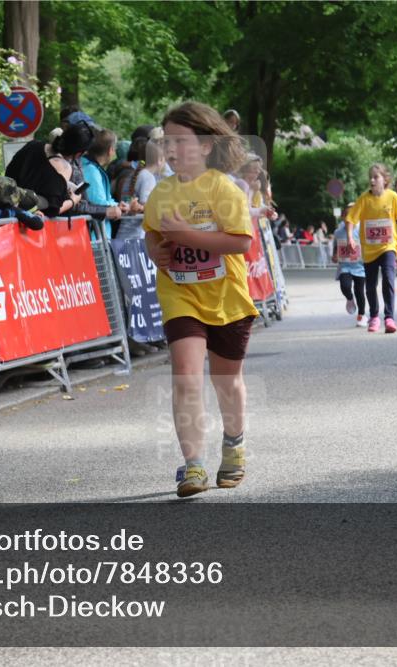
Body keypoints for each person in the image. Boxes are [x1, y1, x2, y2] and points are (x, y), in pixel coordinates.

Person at [143, 101, 257, 498]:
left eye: (180, 141)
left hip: (227, 297)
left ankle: (234, 443)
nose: (171, 150)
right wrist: (155, 250)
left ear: (206, 146)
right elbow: (152, 235)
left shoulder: (224, 188)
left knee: (227, 382)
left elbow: (241, 242)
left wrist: (189, 237)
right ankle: (193, 466)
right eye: (166, 142)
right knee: (186, 378)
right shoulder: (161, 193)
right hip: (181, 294)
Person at [344, 163, 397, 333]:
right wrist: (350, 237)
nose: (372, 180)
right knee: (370, 285)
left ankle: (389, 317)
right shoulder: (364, 199)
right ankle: (374, 316)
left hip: (389, 246)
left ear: (385, 180)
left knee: (388, 279)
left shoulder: (392, 196)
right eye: (371, 177)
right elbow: (351, 218)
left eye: (376, 177)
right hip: (370, 250)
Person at [5, 121, 94, 217]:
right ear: (79, 154)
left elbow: (12, 173)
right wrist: (73, 200)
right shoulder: (64, 168)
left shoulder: (32, 145)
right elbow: (52, 210)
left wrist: (65, 185)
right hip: (27, 223)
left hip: (5, 210)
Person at [81, 128, 130, 237]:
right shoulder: (91, 170)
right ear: (110, 150)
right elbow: (98, 202)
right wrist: (117, 207)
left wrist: (117, 205)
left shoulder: (92, 167)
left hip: (97, 233)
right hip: (94, 236)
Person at [332, 203, 367, 327]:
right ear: (343, 216)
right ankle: (349, 298)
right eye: (347, 214)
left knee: (360, 292)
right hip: (345, 266)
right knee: (345, 286)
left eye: (352, 214)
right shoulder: (338, 231)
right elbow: (336, 246)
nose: (349, 217)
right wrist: (335, 255)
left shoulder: (362, 229)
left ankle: (361, 316)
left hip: (360, 266)